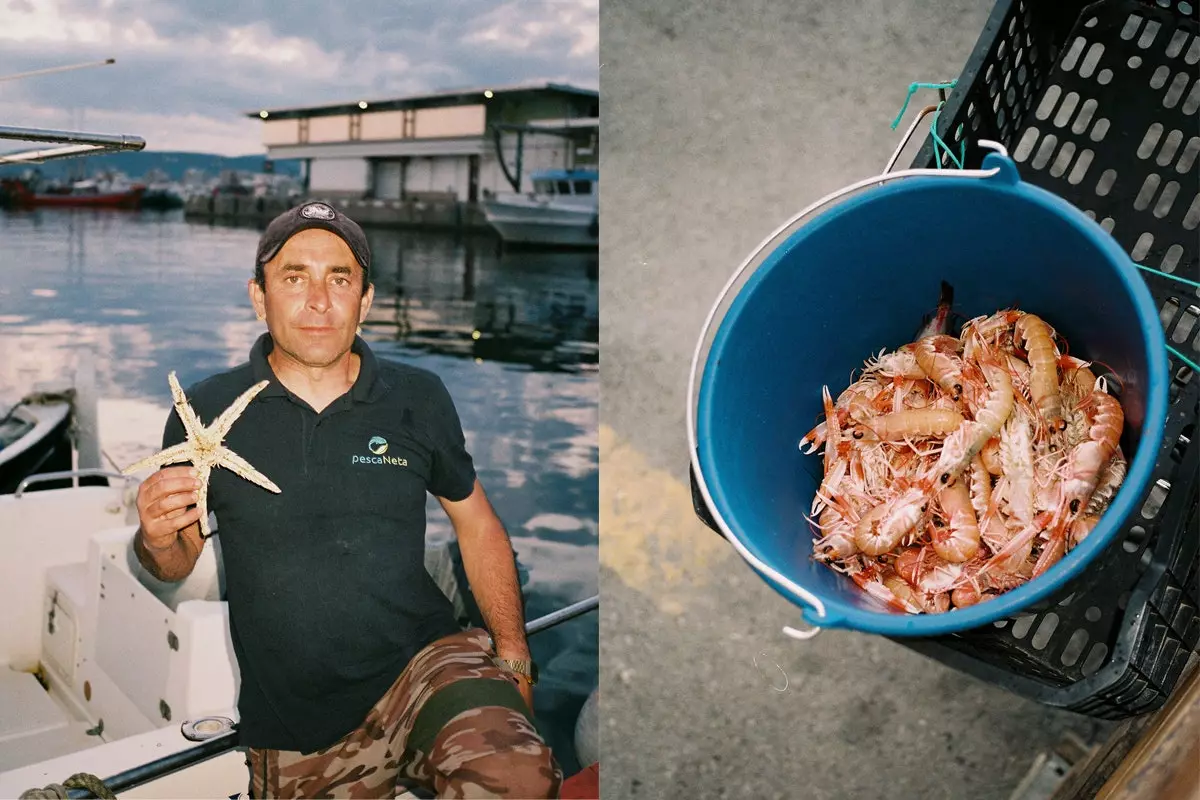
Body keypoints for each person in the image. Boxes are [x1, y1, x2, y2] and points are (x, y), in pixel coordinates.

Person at [132, 200, 560, 798]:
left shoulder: (418, 396)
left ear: (366, 300)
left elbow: (479, 524)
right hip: (295, 719)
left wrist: (513, 655)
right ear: (259, 297)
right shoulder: (204, 412)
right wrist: (153, 539)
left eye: (339, 279)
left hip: (424, 666)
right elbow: (175, 562)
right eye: (293, 277)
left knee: (518, 776)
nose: (318, 300)